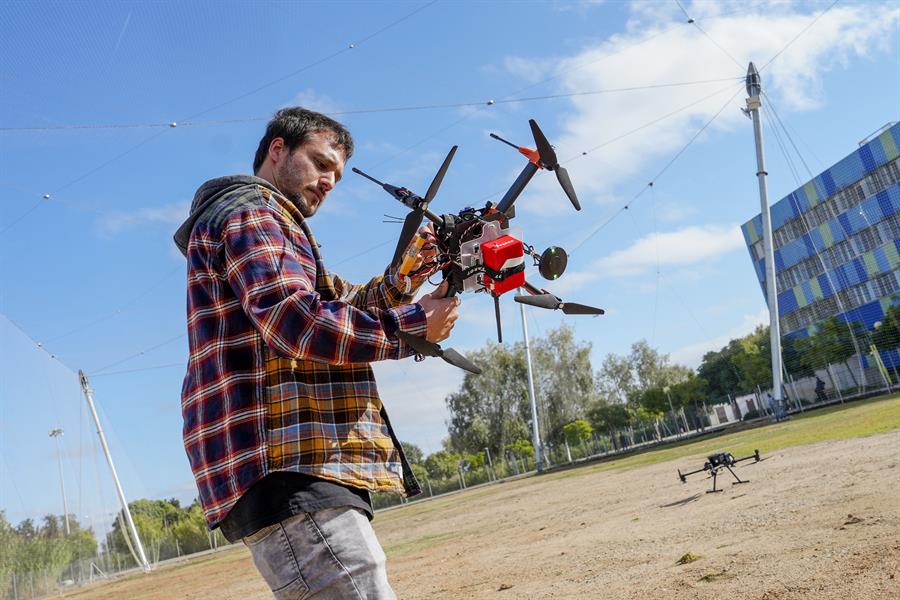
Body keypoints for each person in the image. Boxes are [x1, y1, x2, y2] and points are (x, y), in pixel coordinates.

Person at [173, 107, 460, 599]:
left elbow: (329, 301)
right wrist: (413, 327)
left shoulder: (268, 221)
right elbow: (294, 319)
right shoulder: (251, 211)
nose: (330, 181)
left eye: (338, 175)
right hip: (283, 458)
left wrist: (405, 278)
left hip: (292, 458)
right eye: (321, 163)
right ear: (277, 149)